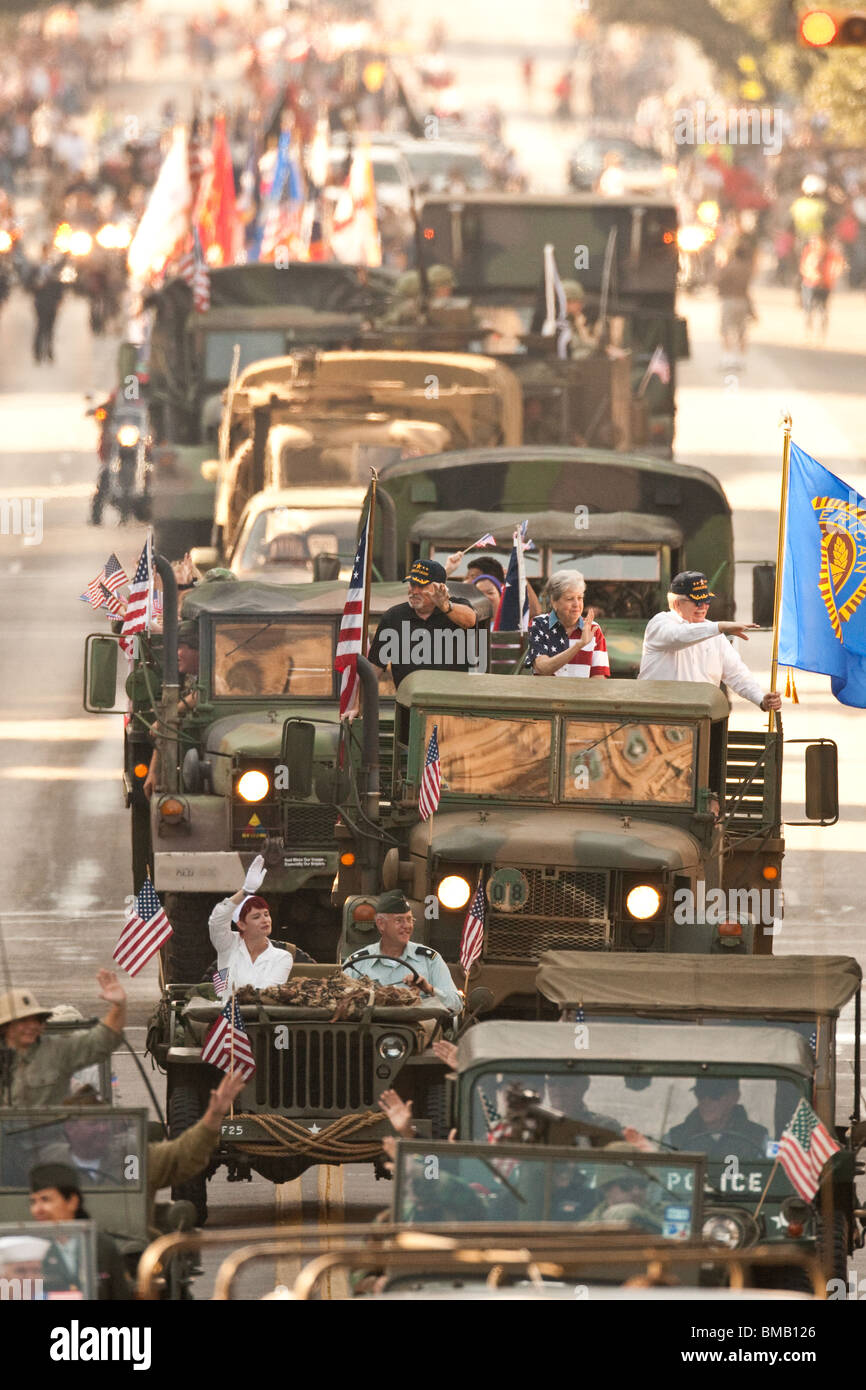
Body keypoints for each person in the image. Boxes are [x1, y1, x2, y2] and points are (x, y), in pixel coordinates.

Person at [638, 570, 782, 712]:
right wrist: (720, 626)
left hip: (700, 718)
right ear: (676, 604)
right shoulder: (660, 623)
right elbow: (678, 636)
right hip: (659, 716)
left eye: (706, 601)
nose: (703, 606)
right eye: (697, 601)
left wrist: (761, 699)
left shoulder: (714, 633)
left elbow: (737, 674)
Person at [0, 971, 126, 1107]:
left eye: (37, 1020)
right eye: (23, 1021)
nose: (32, 1026)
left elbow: (103, 1039)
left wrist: (119, 1007)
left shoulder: (56, 1050)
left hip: (48, 1127)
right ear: (6, 1026)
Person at [343, 889, 464, 1012]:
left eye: (409, 919)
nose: (407, 926)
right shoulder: (357, 963)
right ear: (381, 924)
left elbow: (456, 1005)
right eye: (399, 920)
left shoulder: (429, 960)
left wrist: (429, 989)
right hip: (370, 1029)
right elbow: (338, 1001)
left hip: (418, 1029)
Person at [368, 559, 479, 689]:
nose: (414, 591)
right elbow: (374, 668)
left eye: (421, 586)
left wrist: (444, 606)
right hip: (409, 702)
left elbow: (470, 620)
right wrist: (358, 703)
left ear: (440, 587)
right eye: (412, 584)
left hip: (451, 701)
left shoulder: (455, 607)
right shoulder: (393, 617)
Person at [29, 1161, 131, 1300]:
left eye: (45, 1200)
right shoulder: (32, 1251)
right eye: (33, 1202)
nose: (37, 1210)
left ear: (72, 1201)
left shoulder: (103, 1247)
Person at [207, 854, 292, 994]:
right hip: (228, 1013)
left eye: (266, 914)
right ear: (241, 925)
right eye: (256, 917)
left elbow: (266, 992)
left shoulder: (282, 957)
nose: (265, 920)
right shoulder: (228, 944)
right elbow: (217, 919)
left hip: (259, 1014)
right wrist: (246, 891)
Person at [142, 619, 200, 799]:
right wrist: (153, 772)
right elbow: (168, 729)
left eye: (182, 647)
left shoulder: (217, 678)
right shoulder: (189, 681)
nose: (177, 654)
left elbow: (201, 696)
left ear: (199, 650)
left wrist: (170, 715)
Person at [525, 569, 610, 678]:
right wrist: (580, 645)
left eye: (580, 598)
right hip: (547, 694)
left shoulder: (594, 629)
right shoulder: (539, 624)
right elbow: (542, 668)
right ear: (554, 602)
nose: (576, 604)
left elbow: (598, 679)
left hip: (581, 694)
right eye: (570, 598)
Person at [664, 1077, 769, 1160]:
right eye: (700, 1094)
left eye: (715, 1095)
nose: (706, 1101)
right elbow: (658, 1182)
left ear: (734, 1097)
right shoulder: (674, 1139)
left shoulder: (758, 1139)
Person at [799, 232, 844, 344]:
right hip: (810, 284)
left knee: (823, 310)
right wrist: (812, 275)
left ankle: (821, 335)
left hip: (825, 285)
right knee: (808, 309)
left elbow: (838, 266)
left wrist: (832, 276)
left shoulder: (831, 255)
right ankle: (808, 333)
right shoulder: (809, 252)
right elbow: (803, 267)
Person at [717, 242, 756, 369]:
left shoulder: (729, 266)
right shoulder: (747, 269)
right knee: (741, 331)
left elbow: (718, 280)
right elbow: (747, 289)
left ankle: (728, 357)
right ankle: (740, 358)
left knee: (725, 329)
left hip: (729, 300)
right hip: (743, 301)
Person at [27, 242, 64, 363]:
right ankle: (38, 352)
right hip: (41, 302)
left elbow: (59, 285)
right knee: (40, 327)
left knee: (50, 328)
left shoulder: (54, 269)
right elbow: (29, 285)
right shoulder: (36, 268)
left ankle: (49, 351)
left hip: (52, 302)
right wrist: (37, 285)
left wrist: (59, 299)